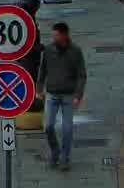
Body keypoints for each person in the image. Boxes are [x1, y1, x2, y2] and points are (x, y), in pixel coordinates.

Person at [38, 21, 87, 170]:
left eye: (56, 36)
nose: (54, 38)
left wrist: (78, 96)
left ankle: (65, 158)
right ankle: (55, 151)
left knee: (67, 129)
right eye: (53, 35)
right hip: (52, 95)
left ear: (65, 35)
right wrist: (39, 89)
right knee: (48, 126)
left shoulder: (75, 51)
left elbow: (81, 75)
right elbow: (43, 70)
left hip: (68, 96)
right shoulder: (48, 50)